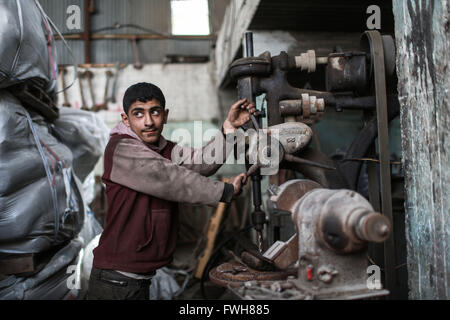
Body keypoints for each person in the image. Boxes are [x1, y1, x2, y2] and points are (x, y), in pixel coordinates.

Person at [87, 82, 256, 300]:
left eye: (154, 112)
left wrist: (229, 129)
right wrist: (224, 191)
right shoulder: (122, 148)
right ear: (126, 120)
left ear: (165, 116)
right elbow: (171, 178)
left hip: (135, 278)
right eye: (138, 114)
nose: (148, 122)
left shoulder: (163, 148)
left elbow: (201, 161)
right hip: (116, 281)